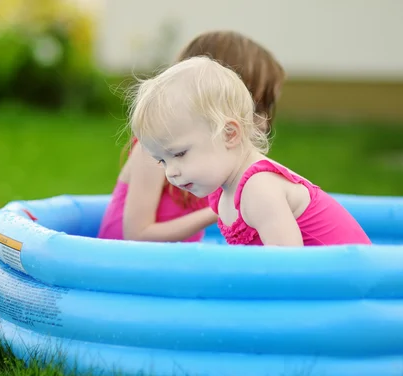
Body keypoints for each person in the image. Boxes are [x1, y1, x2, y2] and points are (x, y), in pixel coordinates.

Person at [127, 56, 372, 246]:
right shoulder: (223, 193)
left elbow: (289, 267)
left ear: (229, 134)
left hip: (351, 287)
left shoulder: (258, 188)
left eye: (179, 154)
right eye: (161, 161)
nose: (171, 172)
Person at [97, 30, 286, 243]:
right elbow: (136, 234)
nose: (263, 120)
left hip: (173, 266)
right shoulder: (159, 150)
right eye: (257, 106)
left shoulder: (214, 157)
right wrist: (217, 211)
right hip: (123, 265)